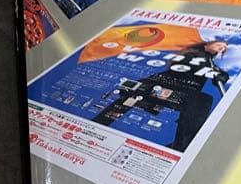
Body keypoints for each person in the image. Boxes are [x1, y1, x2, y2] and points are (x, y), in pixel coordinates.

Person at [92, 40, 230, 152]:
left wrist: (220, 75)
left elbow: (222, 76)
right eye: (219, 44)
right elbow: (179, 63)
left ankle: (182, 145)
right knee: (129, 99)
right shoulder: (193, 54)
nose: (222, 48)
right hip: (162, 82)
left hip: (181, 91)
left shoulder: (211, 63)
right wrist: (205, 67)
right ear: (207, 44)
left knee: (201, 101)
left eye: (224, 48)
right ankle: (98, 123)